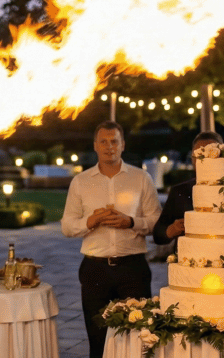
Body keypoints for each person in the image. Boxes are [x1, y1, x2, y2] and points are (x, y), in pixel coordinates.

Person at [61, 120, 161, 358]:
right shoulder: (81, 181)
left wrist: (131, 222)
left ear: (123, 145)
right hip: (95, 269)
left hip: (133, 268)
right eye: (103, 141)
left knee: (138, 339)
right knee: (98, 341)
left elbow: (157, 222)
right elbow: (66, 226)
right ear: (95, 146)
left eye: (114, 141)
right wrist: (90, 222)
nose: (109, 146)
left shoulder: (140, 179)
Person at [152, 131, 224, 246]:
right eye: (199, 155)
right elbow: (158, 235)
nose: (204, 159)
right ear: (192, 159)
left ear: (221, 157)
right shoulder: (180, 191)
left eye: (211, 154)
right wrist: (172, 229)